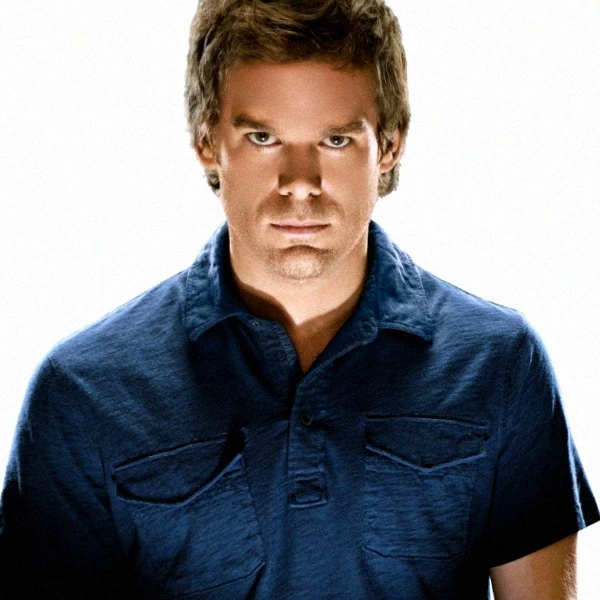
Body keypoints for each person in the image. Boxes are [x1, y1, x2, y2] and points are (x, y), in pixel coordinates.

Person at [0, 0, 598, 597]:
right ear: (207, 141)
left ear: (389, 146)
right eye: (263, 137)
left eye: (336, 140)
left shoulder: (499, 364)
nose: (300, 184)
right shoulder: (84, 392)